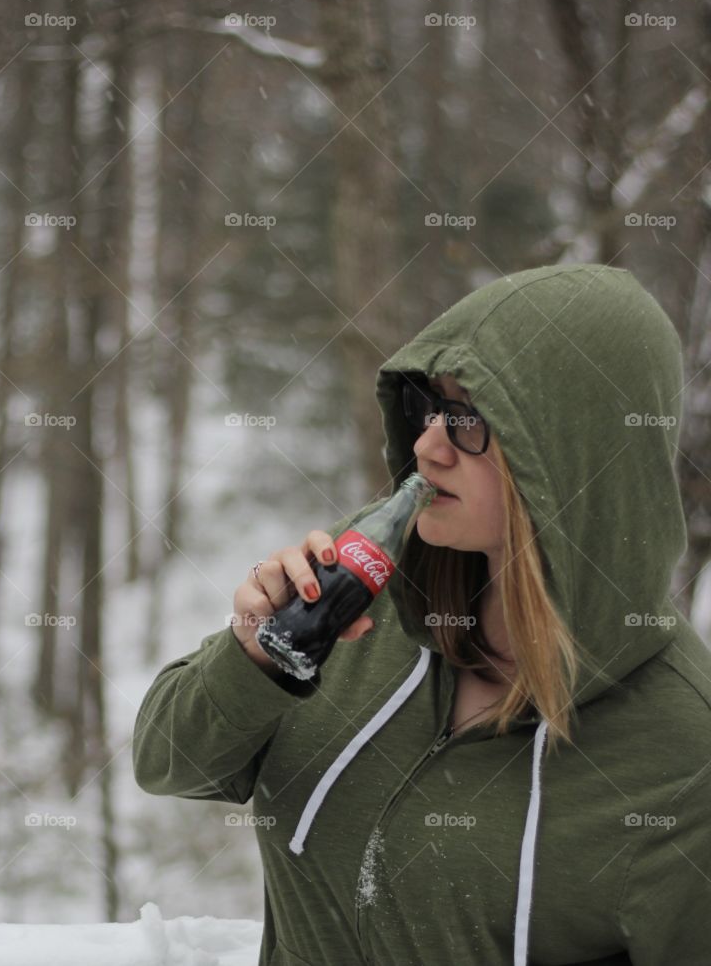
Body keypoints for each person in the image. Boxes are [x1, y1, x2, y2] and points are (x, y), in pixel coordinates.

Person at [132, 263, 711, 965]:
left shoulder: (683, 756)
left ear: (569, 450)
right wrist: (254, 656)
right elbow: (168, 764)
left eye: (469, 419)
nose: (428, 445)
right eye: (427, 407)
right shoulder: (361, 590)